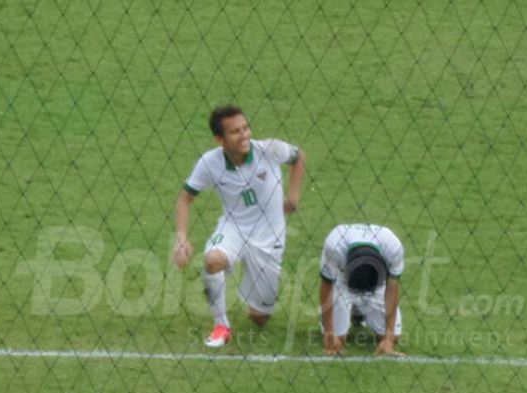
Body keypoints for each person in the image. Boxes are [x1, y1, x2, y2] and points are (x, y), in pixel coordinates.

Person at [172, 104, 306, 347]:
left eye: (245, 128)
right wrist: (181, 238)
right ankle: (221, 325)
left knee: (260, 318)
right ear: (219, 139)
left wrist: (294, 197)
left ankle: (252, 285)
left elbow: (299, 158)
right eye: (235, 131)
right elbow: (185, 198)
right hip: (233, 229)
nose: (244, 135)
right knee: (212, 260)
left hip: (269, 238)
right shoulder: (210, 162)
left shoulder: (271, 150)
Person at [319, 223, 405, 356]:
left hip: (375, 282)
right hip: (342, 280)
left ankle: (358, 312)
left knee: (393, 337)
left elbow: (392, 289)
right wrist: (329, 332)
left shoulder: (393, 247)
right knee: (338, 341)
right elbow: (326, 286)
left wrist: (388, 339)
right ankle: (347, 311)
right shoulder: (334, 245)